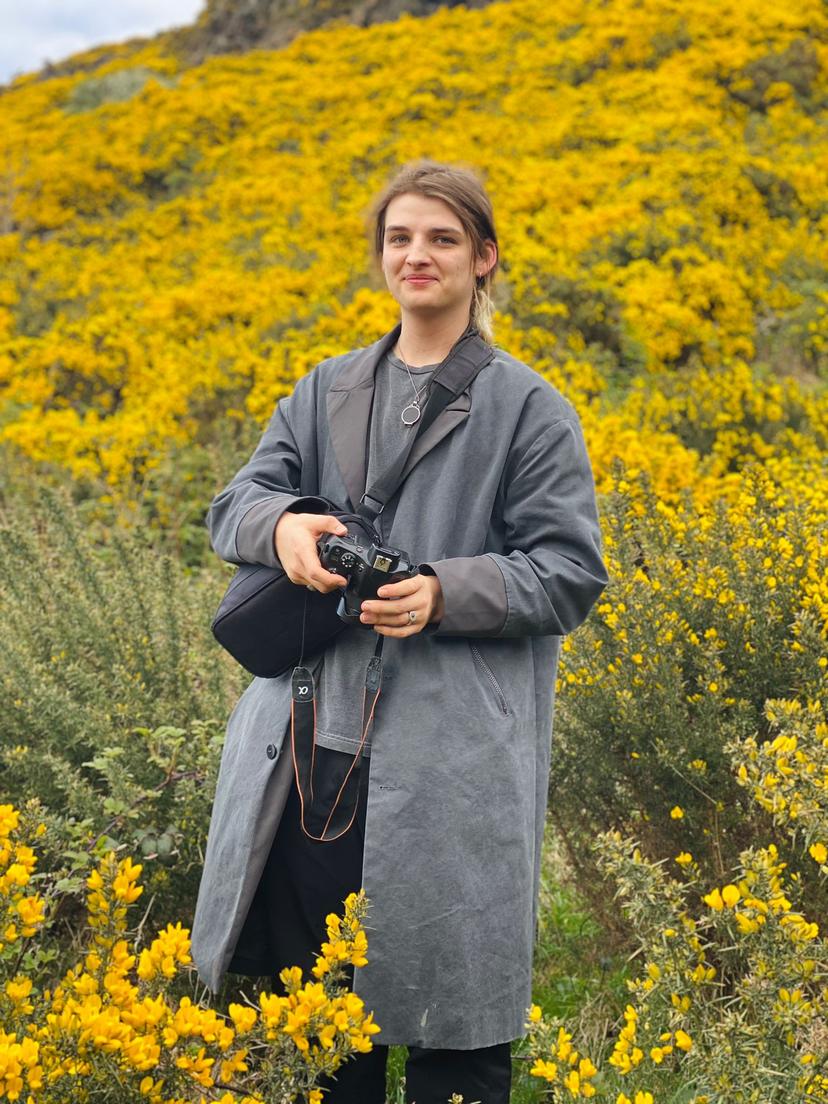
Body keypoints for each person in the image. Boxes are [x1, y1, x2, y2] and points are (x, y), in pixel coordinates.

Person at [191, 159, 609, 1104]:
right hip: (305, 758)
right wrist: (283, 526)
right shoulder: (327, 387)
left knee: (452, 1047)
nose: (417, 255)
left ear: (485, 260)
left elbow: (569, 573)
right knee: (319, 1039)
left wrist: (441, 590)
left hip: (447, 770)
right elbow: (235, 504)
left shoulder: (529, 408)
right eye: (400, 238)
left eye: (443, 238)